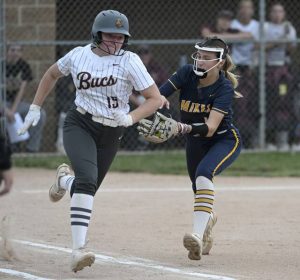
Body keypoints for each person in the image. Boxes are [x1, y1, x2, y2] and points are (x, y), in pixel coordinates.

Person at [18, 9, 166, 273]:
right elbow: (52, 74)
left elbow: (154, 98)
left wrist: (130, 119)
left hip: (112, 131)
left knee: (86, 189)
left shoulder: (130, 60)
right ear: (97, 34)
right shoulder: (79, 55)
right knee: (86, 182)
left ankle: (64, 180)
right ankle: (78, 250)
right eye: (110, 35)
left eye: (121, 37)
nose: (116, 41)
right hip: (80, 123)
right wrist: (35, 107)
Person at [158, 37, 242, 261]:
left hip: (223, 140)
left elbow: (211, 128)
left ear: (220, 63)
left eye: (207, 58)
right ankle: (207, 224)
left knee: (204, 174)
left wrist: (180, 127)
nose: (200, 61)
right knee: (198, 188)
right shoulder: (187, 73)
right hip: (195, 140)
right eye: (199, 56)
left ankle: (195, 235)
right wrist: (154, 103)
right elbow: (157, 95)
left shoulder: (224, 87)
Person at [264, 3, 297, 151]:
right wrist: (279, 41)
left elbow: (292, 49)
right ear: (270, 14)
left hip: (284, 72)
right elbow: (261, 47)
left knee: (284, 102)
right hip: (269, 69)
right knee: (269, 104)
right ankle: (269, 140)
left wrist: (287, 39)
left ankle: (287, 141)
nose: (277, 14)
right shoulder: (265, 27)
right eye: (275, 11)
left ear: (284, 14)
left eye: (280, 11)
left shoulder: (289, 28)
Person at [230, 0, 260, 149]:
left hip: (252, 68)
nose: (245, 10)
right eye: (242, 7)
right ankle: (236, 138)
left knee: (252, 103)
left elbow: (259, 45)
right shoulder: (233, 25)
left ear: (253, 10)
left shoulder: (257, 26)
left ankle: (253, 138)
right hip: (235, 69)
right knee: (238, 103)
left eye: (248, 8)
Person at [5, 44, 46, 153]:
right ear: (7, 52)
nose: (15, 53)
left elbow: (21, 91)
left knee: (40, 114)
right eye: (12, 50)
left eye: (19, 50)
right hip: (2, 103)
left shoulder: (24, 66)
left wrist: (12, 111)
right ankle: (8, 148)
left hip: (16, 104)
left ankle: (31, 150)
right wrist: (5, 110)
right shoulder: (1, 65)